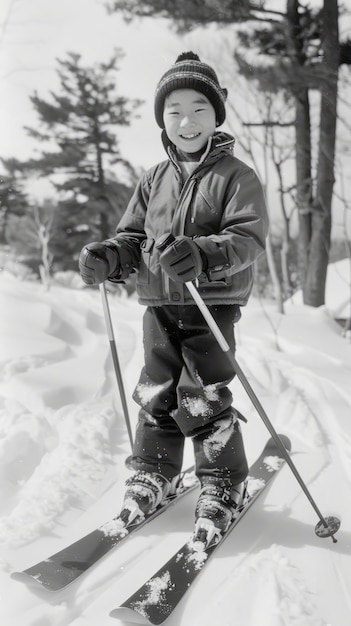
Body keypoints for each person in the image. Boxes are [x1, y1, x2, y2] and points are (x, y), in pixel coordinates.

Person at [79, 52, 269, 549]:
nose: (187, 121)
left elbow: (247, 238)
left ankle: (223, 485)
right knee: (156, 393)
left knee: (201, 397)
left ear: (216, 116)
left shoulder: (236, 176)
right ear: (163, 119)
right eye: (175, 111)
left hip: (211, 306)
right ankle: (151, 473)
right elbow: (131, 236)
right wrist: (110, 257)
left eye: (199, 110)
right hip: (158, 305)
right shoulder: (152, 179)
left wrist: (202, 256)